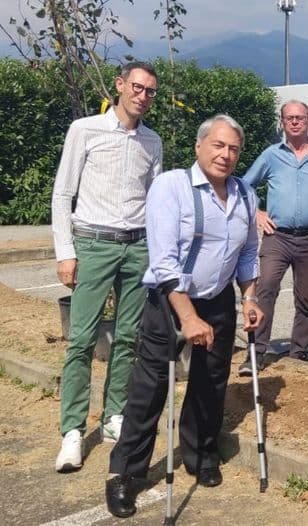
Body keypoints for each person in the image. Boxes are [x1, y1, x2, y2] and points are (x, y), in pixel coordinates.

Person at [105, 115, 263, 518]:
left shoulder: (246, 195)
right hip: (170, 301)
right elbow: (164, 261)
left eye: (233, 149)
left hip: (218, 301)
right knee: (151, 386)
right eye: (218, 145)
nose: (226, 155)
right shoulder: (171, 187)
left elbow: (246, 252)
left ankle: (200, 452)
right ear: (199, 146)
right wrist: (189, 318)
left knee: (211, 382)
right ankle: (126, 473)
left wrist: (249, 297)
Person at [52, 61, 162, 473]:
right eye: (137, 87)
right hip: (93, 244)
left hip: (137, 249)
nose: (143, 96)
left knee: (128, 337)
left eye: (150, 91)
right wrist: (66, 251)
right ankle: (73, 431)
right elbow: (63, 193)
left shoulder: (152, 142)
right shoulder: (85, 129)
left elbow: (155, 203)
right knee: (81, 340)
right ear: (120, 85)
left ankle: (115, 412)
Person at [238, 100, 308, 375]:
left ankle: (298, 353)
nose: (294, 122)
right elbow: (243, 185)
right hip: (277, 237)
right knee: (264, 287)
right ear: (282, 122)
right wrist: (257, 213)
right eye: (289, 118)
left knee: (305, 297)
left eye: (300, 117)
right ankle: (256, 352)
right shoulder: (271, 155)